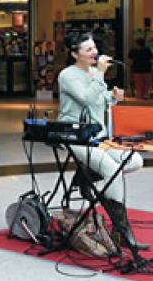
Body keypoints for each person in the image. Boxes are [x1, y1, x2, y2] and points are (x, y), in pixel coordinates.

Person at [58, 32, 145, 249]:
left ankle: (85, 178)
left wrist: (113, 97)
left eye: (94, 47)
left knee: (134, 161)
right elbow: (85, 98)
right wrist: (99, 74)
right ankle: (122, 233)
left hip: (97, 136)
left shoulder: (93, 73)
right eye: (88, 49)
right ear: (74, 54)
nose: (94, 52)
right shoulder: (67, 75)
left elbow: (98, 100)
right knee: (111, 172)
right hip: (76, 136)